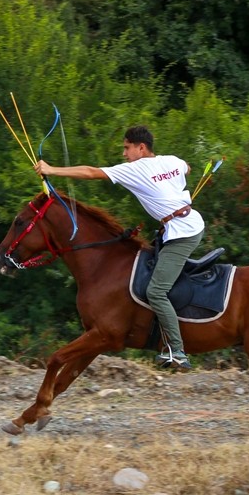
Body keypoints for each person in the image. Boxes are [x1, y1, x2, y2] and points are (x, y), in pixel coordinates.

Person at [34, 125, 204, 370]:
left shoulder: (136, 169)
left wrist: (51, 170)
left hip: (184, 233)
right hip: (182, 225)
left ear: (141, 147)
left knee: (156, 291)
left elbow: (92, 172)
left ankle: (177, 350)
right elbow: (187, 166)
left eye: (127, 148)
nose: (124, 154)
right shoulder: (172, 161)